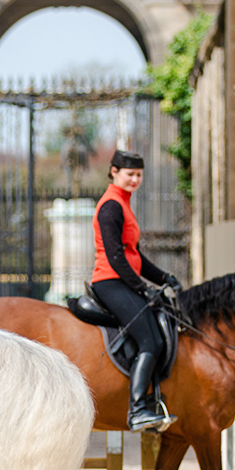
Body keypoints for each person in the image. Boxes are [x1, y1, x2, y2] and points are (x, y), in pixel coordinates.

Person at [90, 148, 180, 431]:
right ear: (114, 172)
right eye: (130, 174)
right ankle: (139, 409)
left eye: (139, 175)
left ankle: (152, 402)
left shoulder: (124, 204)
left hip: (122, 279)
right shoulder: (111, 206)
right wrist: (143, 289)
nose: (135, 180)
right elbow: (116, 258)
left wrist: (164, 277)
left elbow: (134, 256)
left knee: (156, 334)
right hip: (110, 281)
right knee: (150, 341)